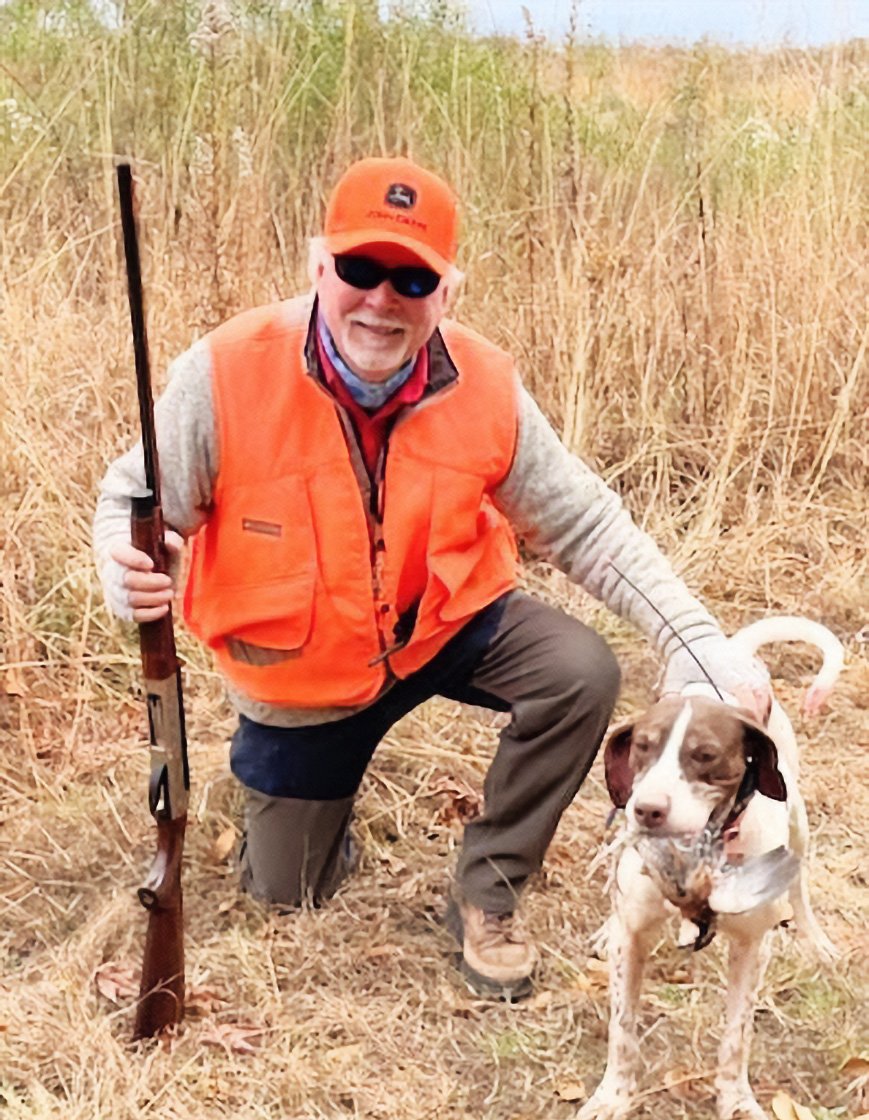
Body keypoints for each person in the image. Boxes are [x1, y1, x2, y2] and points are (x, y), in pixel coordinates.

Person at [94, 156, 770, 1000]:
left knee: (579, 672)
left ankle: (488, 890)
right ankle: (313, 818)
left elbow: (587, 525)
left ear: (446, 293)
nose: (381, 300)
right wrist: (126, 568)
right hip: (304, 683)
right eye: (359, 269)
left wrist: (699, 643)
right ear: (318, 267)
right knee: (286, 893)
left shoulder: (484, 382)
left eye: (411, 279)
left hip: (446, 630)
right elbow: (134, 501)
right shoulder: (225, 371)